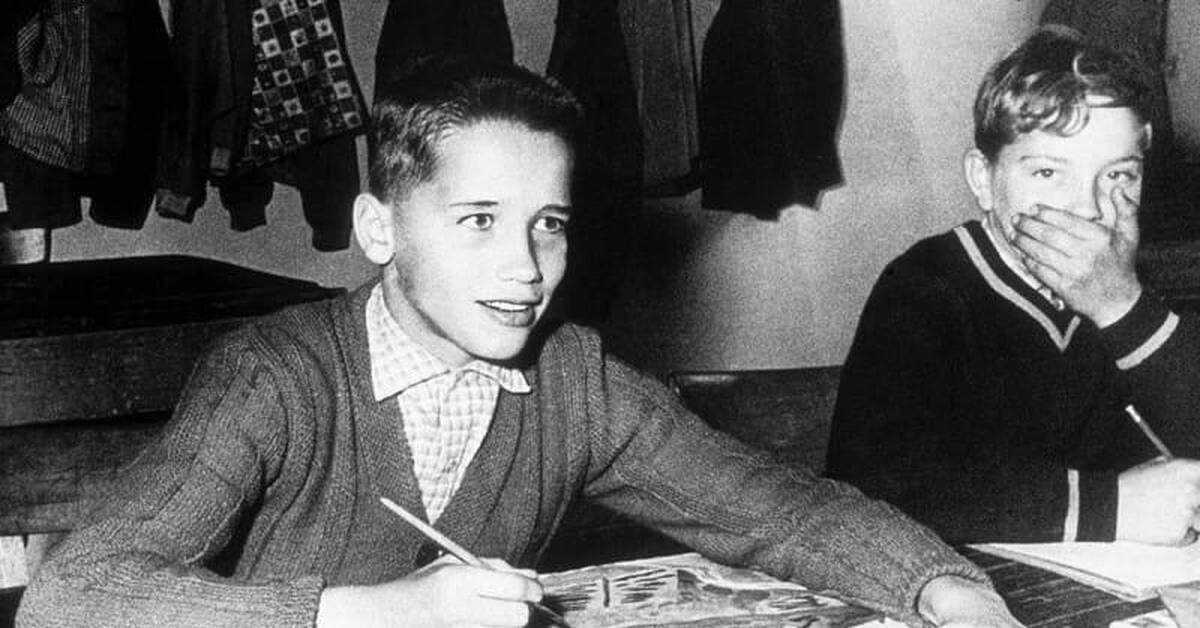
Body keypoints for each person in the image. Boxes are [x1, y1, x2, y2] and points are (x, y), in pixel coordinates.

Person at [18, 55, 1019, 628]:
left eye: (549, 224)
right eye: (479, 221)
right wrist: (385, 611)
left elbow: (781, 513)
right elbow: (72, 594)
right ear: (377, 230)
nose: (527, 268)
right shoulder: (275, 377)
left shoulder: (575, 383)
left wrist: (945, 590)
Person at [827, 26, 1200, 547]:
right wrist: (1109, 506)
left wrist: (1122, 308)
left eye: (1119, 176)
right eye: (1048, 173)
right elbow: (871, 484)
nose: (1089, 208)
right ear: (984, 180)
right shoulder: (926, 288)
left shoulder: (1131, 292)